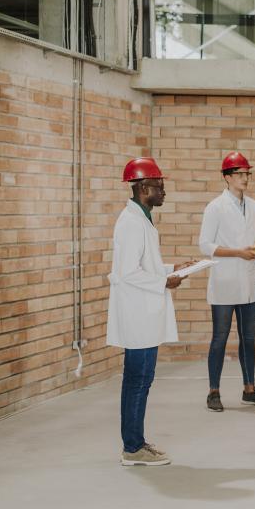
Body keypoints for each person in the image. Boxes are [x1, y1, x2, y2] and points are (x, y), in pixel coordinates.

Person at [107, 157, 195, 466]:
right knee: (138, 379)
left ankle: (136, 442)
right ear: (144, 188)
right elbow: (127, 272)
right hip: (137, 315)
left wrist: (172, 269)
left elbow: (144, 265)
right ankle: (132, 448)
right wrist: (164, 281)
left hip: (143, 312)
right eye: (160, 186)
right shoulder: (131, 223)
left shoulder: (141, 219)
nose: (163, 192)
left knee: (142, 378)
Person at [199, 151, 255, 412]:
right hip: (224, 282)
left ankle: (249, 389)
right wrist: (237, 253)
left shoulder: (254, 207)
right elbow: (205, 245)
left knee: (248, 338)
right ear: (227, 177)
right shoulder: (215, 207)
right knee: (220, 338)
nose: (245, 178)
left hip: (249, 282)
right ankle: (213, 392)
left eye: (247, 173)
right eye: (240, 174)